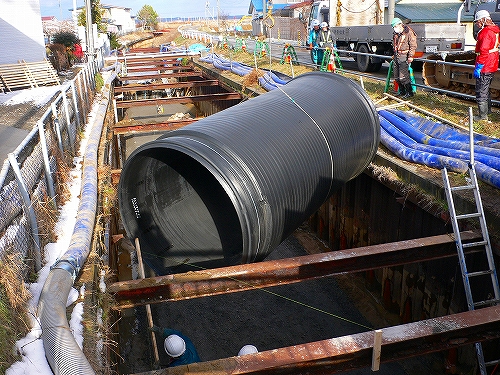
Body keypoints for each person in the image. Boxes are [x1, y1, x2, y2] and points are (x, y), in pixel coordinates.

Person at [473, 9, 500, 121]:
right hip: (492, 63)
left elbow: (484, 51)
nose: (477, 24)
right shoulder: (495, 30)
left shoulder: (485, 32)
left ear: (484, 20)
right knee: (486, 88)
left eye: (478, 22)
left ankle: (482, 116)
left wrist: (479, 66)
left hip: (485, 65)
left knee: (481, 91)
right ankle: (488, 111)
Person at [391, 18, 417, 99]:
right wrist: (394, 54)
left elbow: (413, 45)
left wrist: (410, 56)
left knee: (403, 76)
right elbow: (394, 44)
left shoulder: (409, 32)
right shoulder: (396, 33)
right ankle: (402, 92)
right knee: (396, 77)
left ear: (400, 24)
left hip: (404, 56)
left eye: (395, 26)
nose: (394, 28)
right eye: (393, 27)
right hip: (396, 55)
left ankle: (409, 92)